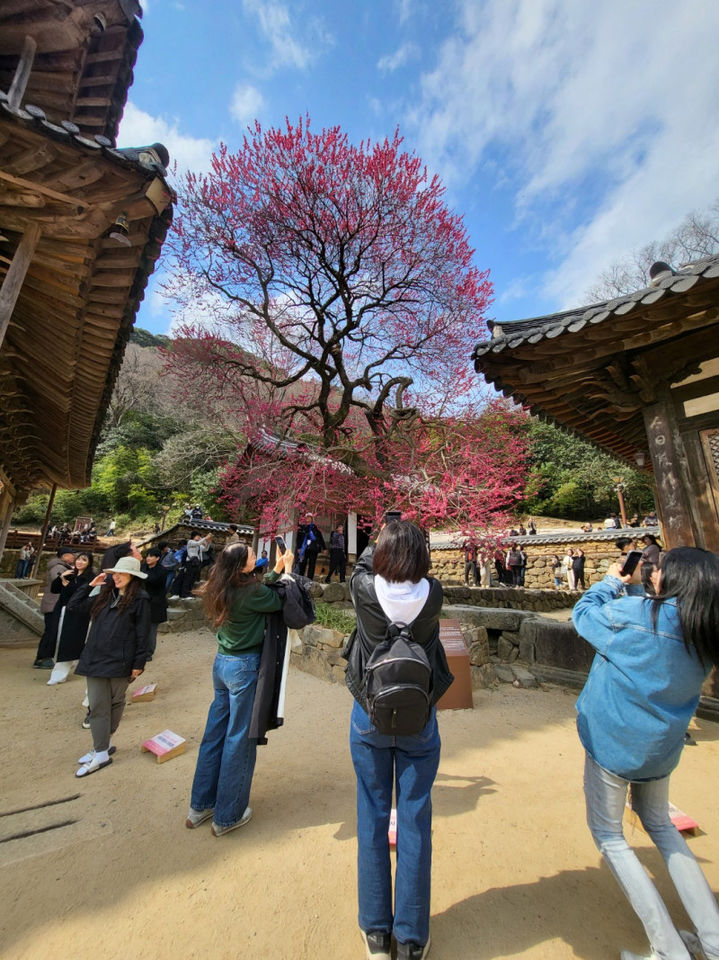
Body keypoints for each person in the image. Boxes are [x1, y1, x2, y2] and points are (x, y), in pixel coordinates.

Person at [572, 547, 719, 960]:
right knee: (661, 825)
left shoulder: (636, 614)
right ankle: (713, 938)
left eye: (661, 569)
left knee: (610, 837)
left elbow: (583, 614)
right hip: (661, 747)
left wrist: (612, 582)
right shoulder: (705, 629)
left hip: (613, 741)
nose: (653, 571)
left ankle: (668, 948)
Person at [345, 520, 453, 960]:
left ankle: (375, 930)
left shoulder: (364, 590)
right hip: (419, 717)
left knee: (370, 818)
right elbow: (419, 574)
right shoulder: (433, 595)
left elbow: (364, 563)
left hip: (370, 714)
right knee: (414, 821)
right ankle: (410, 936)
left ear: (384, 552)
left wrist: (380, 536)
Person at [186, 541, 294, 836]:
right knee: (239, 738)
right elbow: (276, 600)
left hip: (222, 665)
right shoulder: (252, 592)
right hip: (245, 667)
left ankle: (200, 805)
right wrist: (289, 572)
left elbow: (259, 587)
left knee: (215, 734)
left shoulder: (220, 585)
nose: (256, 557)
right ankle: (228, 814)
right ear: (241, 566)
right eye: (251, 556)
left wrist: (275, 569)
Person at [72, 556, 150, 777]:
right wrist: (90, 586)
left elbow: (142, 633)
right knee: (97, 705)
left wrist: (139, 663)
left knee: (116, 703)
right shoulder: (104, 595)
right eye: (114, 573)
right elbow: (74, 607)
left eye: (121, 574)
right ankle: (100, 750)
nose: (116, 577)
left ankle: (102, 746)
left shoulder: (140, 599)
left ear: (133, 577)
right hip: (95, 657)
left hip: (121, 660)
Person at [46, 551, 95, 685]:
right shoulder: (70, 574)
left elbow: (80, 594)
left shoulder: (91, 578)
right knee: (58, 639)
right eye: (79, 559)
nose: (80, 562)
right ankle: (70, 662)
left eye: (84, 560)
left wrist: (68, 585)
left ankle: (59, 674)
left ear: (89, 563)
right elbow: (55, 589)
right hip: (61, 610)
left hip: (77, 614)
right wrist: (61, 578)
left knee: (67, 642)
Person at [33, 547, 75, 668]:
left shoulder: (61, 566)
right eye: (72, 555)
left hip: (54, 603)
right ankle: (43, 658)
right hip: (53, 604)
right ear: (65, 556)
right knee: (51, 632)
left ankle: (44, 657)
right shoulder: (58, 567)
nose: (74, 558)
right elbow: (58, 580)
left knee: (52, 631)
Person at [141, 547, 168, 660]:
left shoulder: (162, 570)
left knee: (151, 629)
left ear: (157, 558)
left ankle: (148, 653)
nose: (148, 558)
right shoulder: (143, 567)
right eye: (147, 555)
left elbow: (153, 579)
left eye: (151, 556)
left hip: (155, 603)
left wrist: (140, 575)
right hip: (142, 602)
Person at [296, 513, 326, 580]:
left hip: (313, 548)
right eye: (307, 518)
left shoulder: (315, 528)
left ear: (312, 519)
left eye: (310, 518)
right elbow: (298, 538)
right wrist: (298, 547)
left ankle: (309, 579)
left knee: (312, 564)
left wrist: (324, 547)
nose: (308, 519)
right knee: (303, 563)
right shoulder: (302, 528)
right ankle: (301, 577)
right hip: (304, 548)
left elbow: (320, 537)